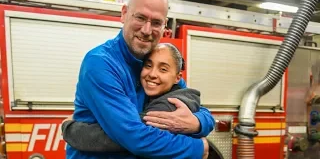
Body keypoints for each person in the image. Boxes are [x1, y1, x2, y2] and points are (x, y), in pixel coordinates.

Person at [66, 0, 215, 159]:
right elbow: (134, 136)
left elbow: (192, 102)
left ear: (164, 26)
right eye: (140, 18)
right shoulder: (100, 63)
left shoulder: (153, 59)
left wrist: (198, 123)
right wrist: (199, 148)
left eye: (156, 22)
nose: (146, 30)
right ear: (124, 14)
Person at [63, 43, 223, 159]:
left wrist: (71, 129)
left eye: (163, 69)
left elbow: (125, 135)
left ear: (177, 78)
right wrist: (200, 121)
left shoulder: (170, 104)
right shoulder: (163, 92)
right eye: (148, 65)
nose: (153, 74)